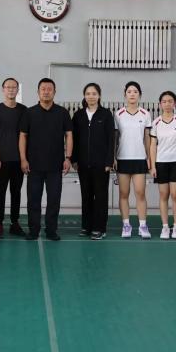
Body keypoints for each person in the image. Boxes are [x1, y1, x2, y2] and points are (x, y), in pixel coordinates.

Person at [19, 78, 73, 241]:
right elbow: (23, 136)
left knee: (54, 200)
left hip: (55, 165)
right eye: (43, 89)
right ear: (38, 92)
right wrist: (23, 159)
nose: (46, 92)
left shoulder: (62, 113)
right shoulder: (29, 112)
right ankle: (33, 230)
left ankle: (51, 230)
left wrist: (68, 157)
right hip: (33, 165)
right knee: (33, 200)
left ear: (54, 92)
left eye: (49, 89)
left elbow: (69, 135)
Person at [71, 82, 116, 240]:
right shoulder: (78, 115)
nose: (91, 96)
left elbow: (111, 139)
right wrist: (74, 159)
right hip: (83, 163)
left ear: (99, 96)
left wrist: (109, 161)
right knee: (86, 195)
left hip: (101, 164)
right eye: (88, 94)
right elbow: (74, 139)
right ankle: (86, 226)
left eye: (94, 93)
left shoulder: (106, 114)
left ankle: (99, 228)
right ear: (84, 96)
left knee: (100, 196)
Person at [0, 77, 27, 238]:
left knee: (16, 192)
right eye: (8, 87)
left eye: (14, 87)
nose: (11, 90)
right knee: (0, 192)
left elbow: (26, 135)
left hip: (18, 160)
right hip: (2, 160)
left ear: (18, 90)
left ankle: (14, 223)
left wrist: (24, 159)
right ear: (3, 89)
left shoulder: (24, 110)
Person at [114, 81, 152, 239]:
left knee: (140, 193)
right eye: (129, 91)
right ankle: (126, 225)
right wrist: (113, 157)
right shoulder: (118, 114)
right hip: (123, 158)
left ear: (139, 95)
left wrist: (149, 157)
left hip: (139, 158)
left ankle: (142, 225)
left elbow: (147, 138)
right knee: (124, 193)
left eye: (135, 91)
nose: (132, 94)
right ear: (125, 94)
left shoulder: (145, 114)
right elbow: (115, 138)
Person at [150, 91, 176, 239]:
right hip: (161, 163)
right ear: (160, 104)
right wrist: (153, 166)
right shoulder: (156, 122)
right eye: (164, 101)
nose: (167, 104)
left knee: (175, 195)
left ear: (174, 103)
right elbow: (153, 145)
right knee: (163, 195)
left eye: (170, 101)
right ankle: (165, 227)